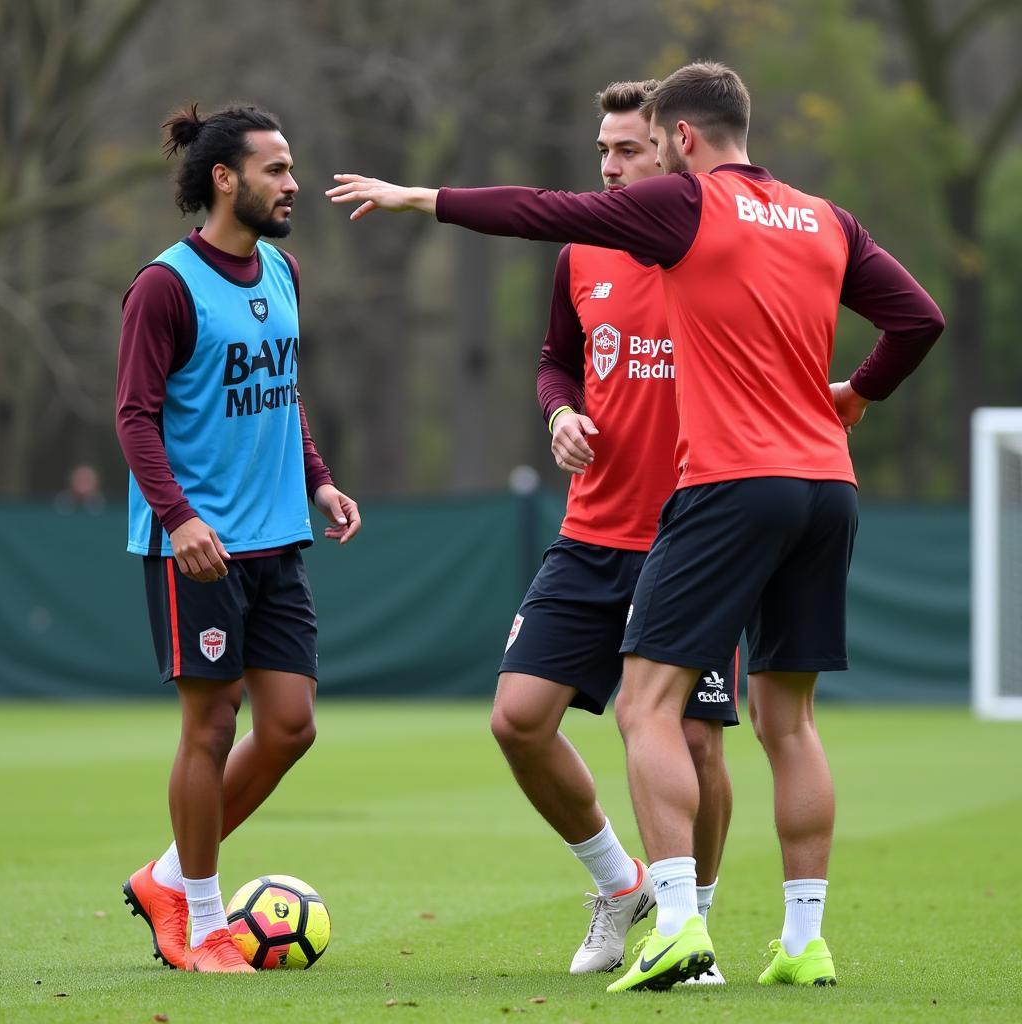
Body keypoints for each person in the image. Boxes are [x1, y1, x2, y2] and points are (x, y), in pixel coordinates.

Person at [325, 60, 944, 992]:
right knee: (793, 721)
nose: (628, 163)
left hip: (725, 493)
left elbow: (537, 209)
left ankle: (683, 924)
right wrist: (859, 391)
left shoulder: (688, 210)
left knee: (647, 709)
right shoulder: (823, 217)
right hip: (826, 485)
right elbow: (920, 316)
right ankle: (802, 938)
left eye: (645, 144)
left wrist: (424, 196)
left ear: (681, 139)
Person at [491, 79, 736, 982]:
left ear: (672, 150)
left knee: (700, 744)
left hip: (694, 536)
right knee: (518, 721)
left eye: (627, 150)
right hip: (591, 535)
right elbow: (558, 360)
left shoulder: (716, 249)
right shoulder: (582, 251)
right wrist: (558, 412)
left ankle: (692, 928)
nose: (609, 166)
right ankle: (619, 883)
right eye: (601, 150)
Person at [117, 103, 360, 974]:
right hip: (198, 547)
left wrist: (319, 479)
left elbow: (284, 392)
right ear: (225, 179)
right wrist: (179, 519)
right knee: (211, 726)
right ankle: (205, 922)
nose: (293, 183)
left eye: (292, 168)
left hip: (276, 539)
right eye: (277, 169)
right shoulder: (166, 285)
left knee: (290, 727)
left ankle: (167, 876)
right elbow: (134, 418)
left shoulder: (284, 272)